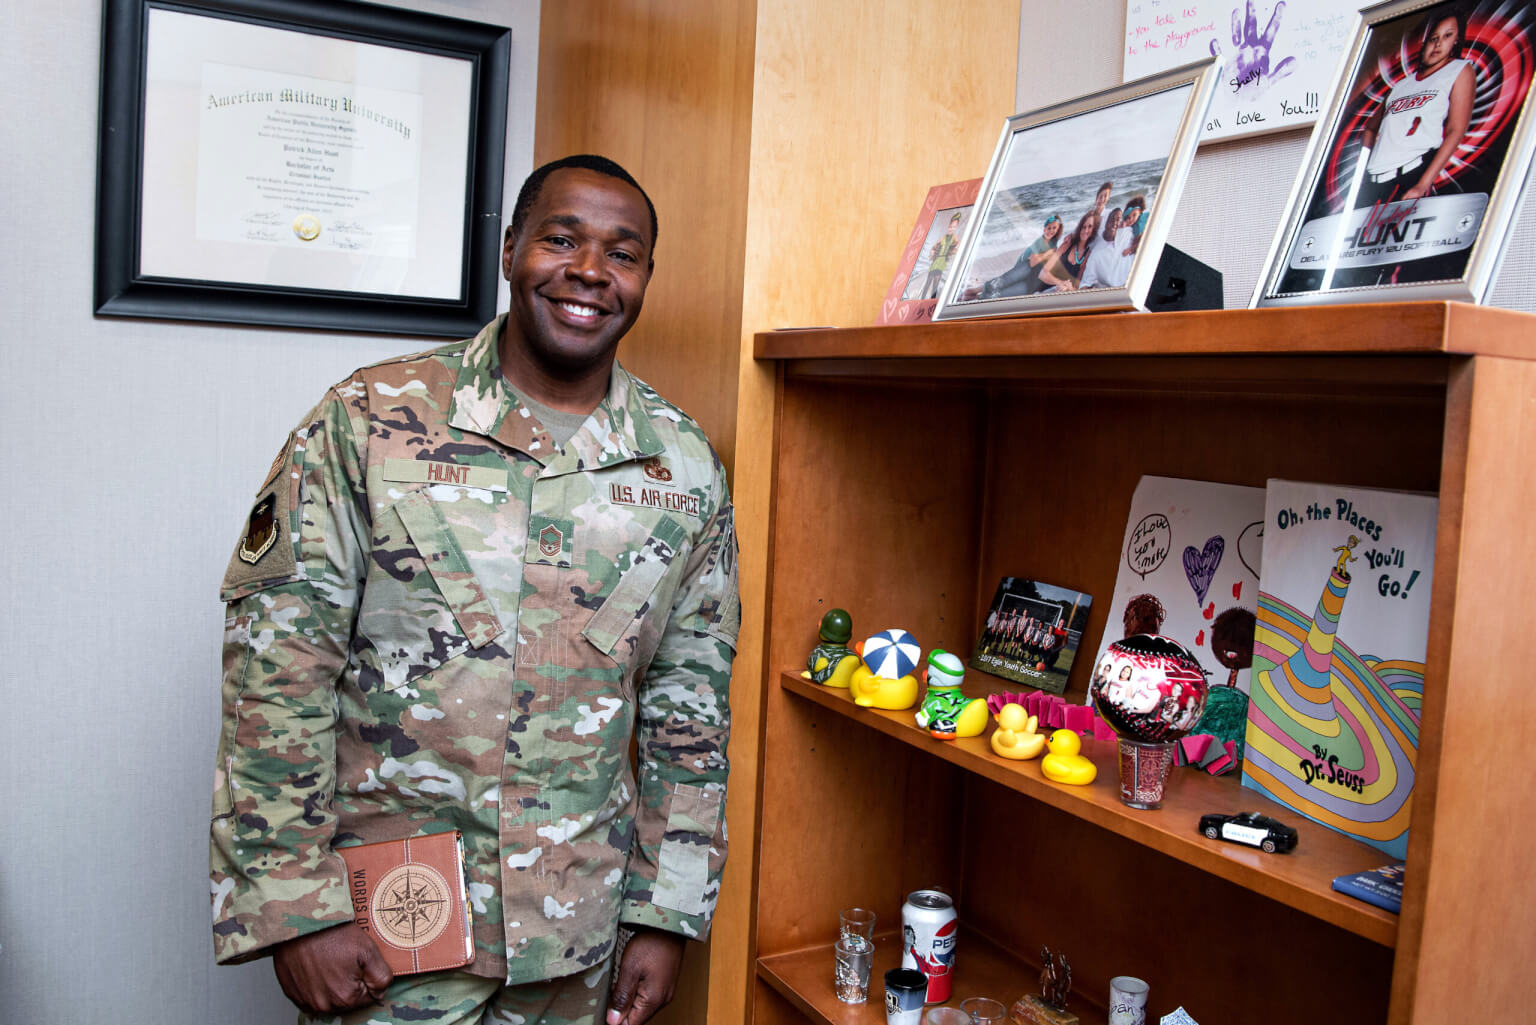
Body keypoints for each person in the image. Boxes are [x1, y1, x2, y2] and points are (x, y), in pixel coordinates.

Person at [209, 154, 740, 1025]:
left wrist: (665, 913)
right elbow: (278, 668)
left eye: (623, 253)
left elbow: (692, 710)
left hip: (579, 937)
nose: (589, 273)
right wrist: (292, 908)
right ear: (510, 251)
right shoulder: (370, 420)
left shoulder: (682, 467)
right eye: (561, 239)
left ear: (645, 277)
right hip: (394, 936)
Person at [1357, 9, 1474, 210]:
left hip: (1411, 173)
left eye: (1447, 36)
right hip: (1371, 181)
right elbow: (1370, 129)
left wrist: (1423, 184)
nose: (1438, 44)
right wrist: (1362, 169)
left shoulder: (1459, 70)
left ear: (1457, 39)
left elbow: (1456, 130)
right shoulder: (1401, 85)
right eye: (1433, 38)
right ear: (1424, 41)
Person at [980, 214, 1064, 298]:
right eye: (1049, 228)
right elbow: (1033, 261)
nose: (1051, 230)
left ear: (1058, 229)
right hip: (1026, 266)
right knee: (1000, 283)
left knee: (1001, 292)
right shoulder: (1043, 241)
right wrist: (1048, 254)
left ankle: (979, 296)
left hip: (1031, 280)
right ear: (1044, 229)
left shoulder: (1054, 244)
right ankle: (975, 291)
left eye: (1054, 228)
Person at [1039, 210, 1099, 291]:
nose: (1086, 230)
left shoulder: (1087, 254)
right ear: (1079, 227)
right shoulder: (1067, 244)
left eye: (1090, 227)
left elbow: (1076, 287)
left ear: (1093, 230)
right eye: (1083, 227)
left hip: (1063, 291)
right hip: (1046, 288)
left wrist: (1069, 288)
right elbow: (1042, 274)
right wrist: (1059, 282)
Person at [1077, 207, 1125, 289]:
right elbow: (1085, 283)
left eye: (1118, 220)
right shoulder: (1095, 254)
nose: (1114, 223)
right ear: (1106, 223)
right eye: (1084, 227)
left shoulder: (1125, 235)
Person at [923, 212, 964, 299]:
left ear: (956, 228)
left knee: (936, 282)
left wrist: (951, 253)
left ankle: (932, 299)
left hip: (942, 262)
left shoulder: (955, 238)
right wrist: (932, 251)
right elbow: (934, 247)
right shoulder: (943, 237)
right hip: (936, 260)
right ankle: (922, 298)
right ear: (948, 226)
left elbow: (957, 248)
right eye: (950, 227)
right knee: (928, 280)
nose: (950, 229)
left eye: (953, 227)